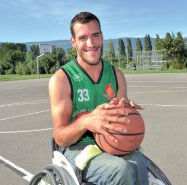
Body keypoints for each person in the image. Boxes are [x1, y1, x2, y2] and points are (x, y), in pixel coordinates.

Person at [49, 11, 149, 185]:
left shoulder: (116, 75)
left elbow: (120, 122)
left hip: (108, 142)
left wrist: (126, 110)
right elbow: (60, 137)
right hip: (76, 148)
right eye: (82, 38)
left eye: (95, 35)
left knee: (140, 162)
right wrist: (86, 122)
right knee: (120, 169)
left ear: (102, 37)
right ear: (73, 42)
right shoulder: (61, 79)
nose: (91, 43)